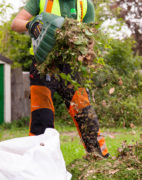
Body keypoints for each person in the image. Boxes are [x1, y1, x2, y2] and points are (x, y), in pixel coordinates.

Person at [11, 0, 109, 158]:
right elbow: (16, 23)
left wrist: (88, 55)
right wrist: (30, 25)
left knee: (86, 116)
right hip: (43, 65)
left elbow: (89, 39)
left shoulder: (85, 5)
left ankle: (100, 158)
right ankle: (39, 162)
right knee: (42, 118)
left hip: (71, 68)